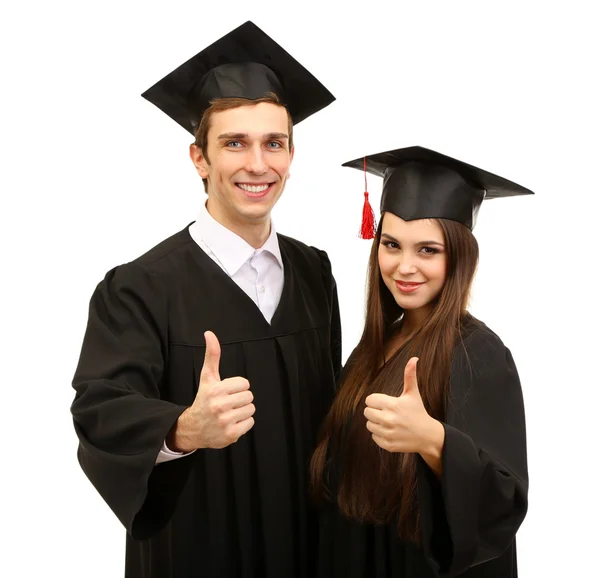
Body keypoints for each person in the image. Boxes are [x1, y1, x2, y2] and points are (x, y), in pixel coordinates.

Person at [70, 21, 341, 578]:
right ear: (199, 157)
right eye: (234, 142)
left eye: (274, 143)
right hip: (198, 550)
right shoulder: (139, 288)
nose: (258, 164)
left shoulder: (315, 270)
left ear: (291, 153)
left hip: (310, 549)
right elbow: (99, 413)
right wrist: (180, 430)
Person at [310, 146, 532, 577]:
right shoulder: (375, 345)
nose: (404, 266)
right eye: (391, 245)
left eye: (428, 250)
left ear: (459, 258)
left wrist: (434, 440)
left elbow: (503, 498)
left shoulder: (477, 354)